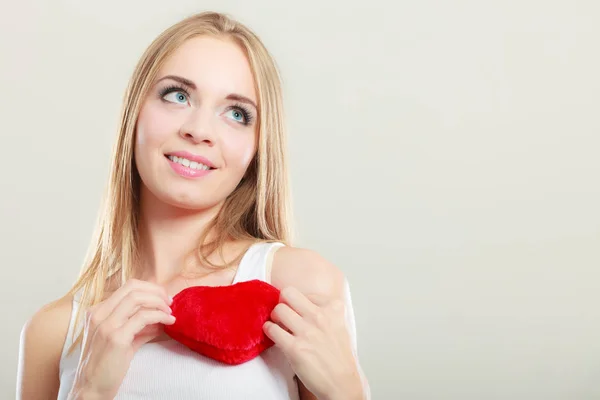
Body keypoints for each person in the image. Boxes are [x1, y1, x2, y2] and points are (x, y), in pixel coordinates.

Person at [16, 11, 370, 400]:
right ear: (135, 112)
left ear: (257, 148)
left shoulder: (297, 286)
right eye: (178, 96)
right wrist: (89, 392)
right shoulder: (52, 331)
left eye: (237, 114)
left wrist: (348, 391)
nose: (199, 131)